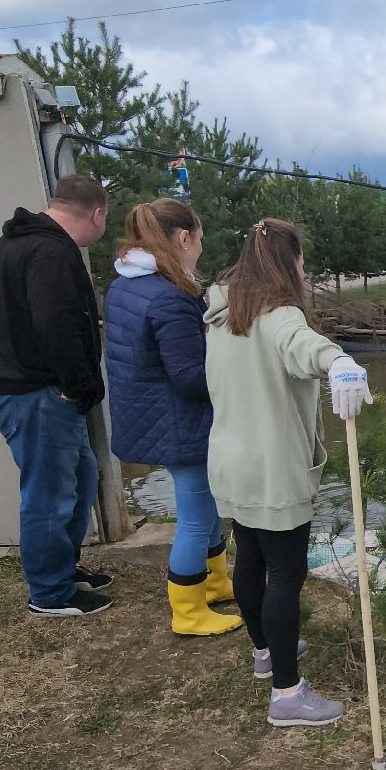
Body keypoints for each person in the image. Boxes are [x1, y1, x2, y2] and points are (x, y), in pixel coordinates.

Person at [204, 218, 370, 727]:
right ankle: (287, 693)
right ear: (289, 262)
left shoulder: (222, 314)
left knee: (250, 554)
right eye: (301, 260)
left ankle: (264, 651)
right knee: (285, 573)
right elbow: (305, 344)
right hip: (273, 468)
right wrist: (339, 361)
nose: (303, 269)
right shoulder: (279, 315)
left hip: (230, 461)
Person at [0, 175, 116, 617]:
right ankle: (50, 593)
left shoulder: (18, 242)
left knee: (81, 476)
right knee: (49, 493)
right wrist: (76, 386)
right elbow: (56, 325)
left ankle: (62, 568)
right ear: (96, 214)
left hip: (28, 386)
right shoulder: (51, 252)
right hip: (32, 390)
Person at [103, 198, 240, 637]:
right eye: (199, 238)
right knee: (197, 518)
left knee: (207, 507)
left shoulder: (125, 284)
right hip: (180, 421)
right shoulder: (171, 297)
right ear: (184, 238)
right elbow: (190, 378)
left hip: (147, 413)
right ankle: (189, 611)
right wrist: (238, 373)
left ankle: (216, 583)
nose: (200, 247)